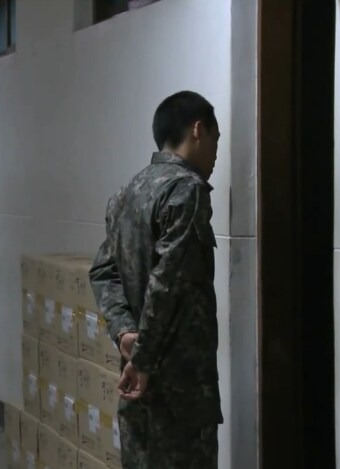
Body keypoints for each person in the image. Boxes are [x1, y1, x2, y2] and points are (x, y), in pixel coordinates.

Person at [89, 91, 222, 469]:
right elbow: (169, 283)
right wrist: (144, 360)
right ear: (197, 130)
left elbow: (103, 271)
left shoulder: (126, 193)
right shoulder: (186, 189)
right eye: (216, 140)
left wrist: (124, 332)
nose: (216, 153)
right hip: (179, 387)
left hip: (136, 378)